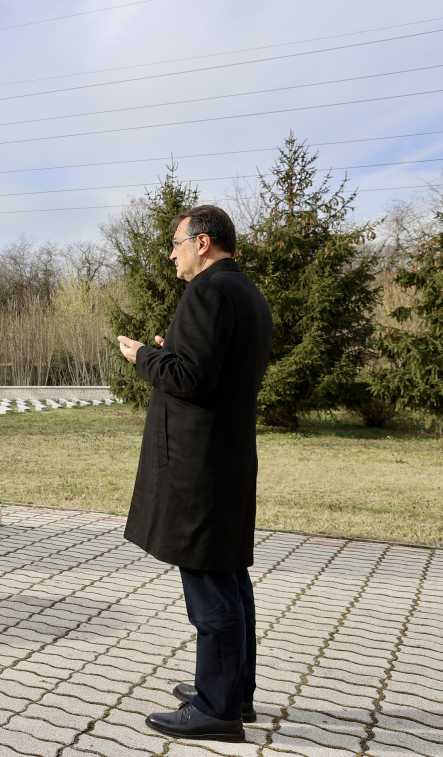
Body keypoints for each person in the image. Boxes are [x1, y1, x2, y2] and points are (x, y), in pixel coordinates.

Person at [117, 204, 272, 743]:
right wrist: (175, 351)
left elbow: (192, 379)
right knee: (230, 577)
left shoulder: (208, 290)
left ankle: (217, 710)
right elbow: (213, 365)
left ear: (202, 243)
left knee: (210, 585)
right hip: (227, 456)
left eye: (177, 244)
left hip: (199, 464)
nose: (172, 254)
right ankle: (234, 691)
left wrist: (143, 357)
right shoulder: (245, 291)